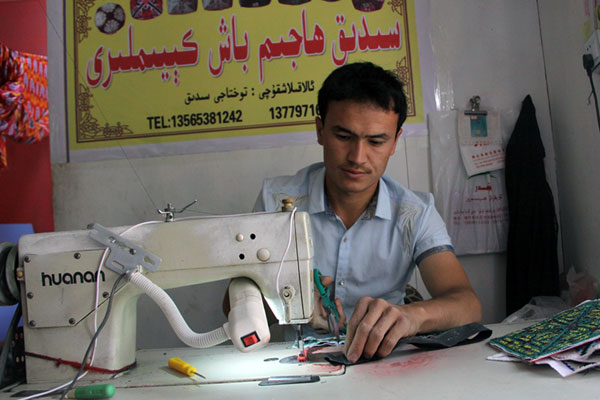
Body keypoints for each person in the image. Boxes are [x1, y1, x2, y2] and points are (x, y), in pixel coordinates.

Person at [252, 61, 482, 363]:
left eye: (376, 141)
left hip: (385, 364)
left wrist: (411, 317)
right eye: (343, 137)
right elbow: (232, 308)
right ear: (320, 130)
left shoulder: (415, 213)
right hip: (297, 364)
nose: (357, 157)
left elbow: (467, 305)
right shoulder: (276, 202)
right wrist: (287, 300)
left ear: (395, 142)